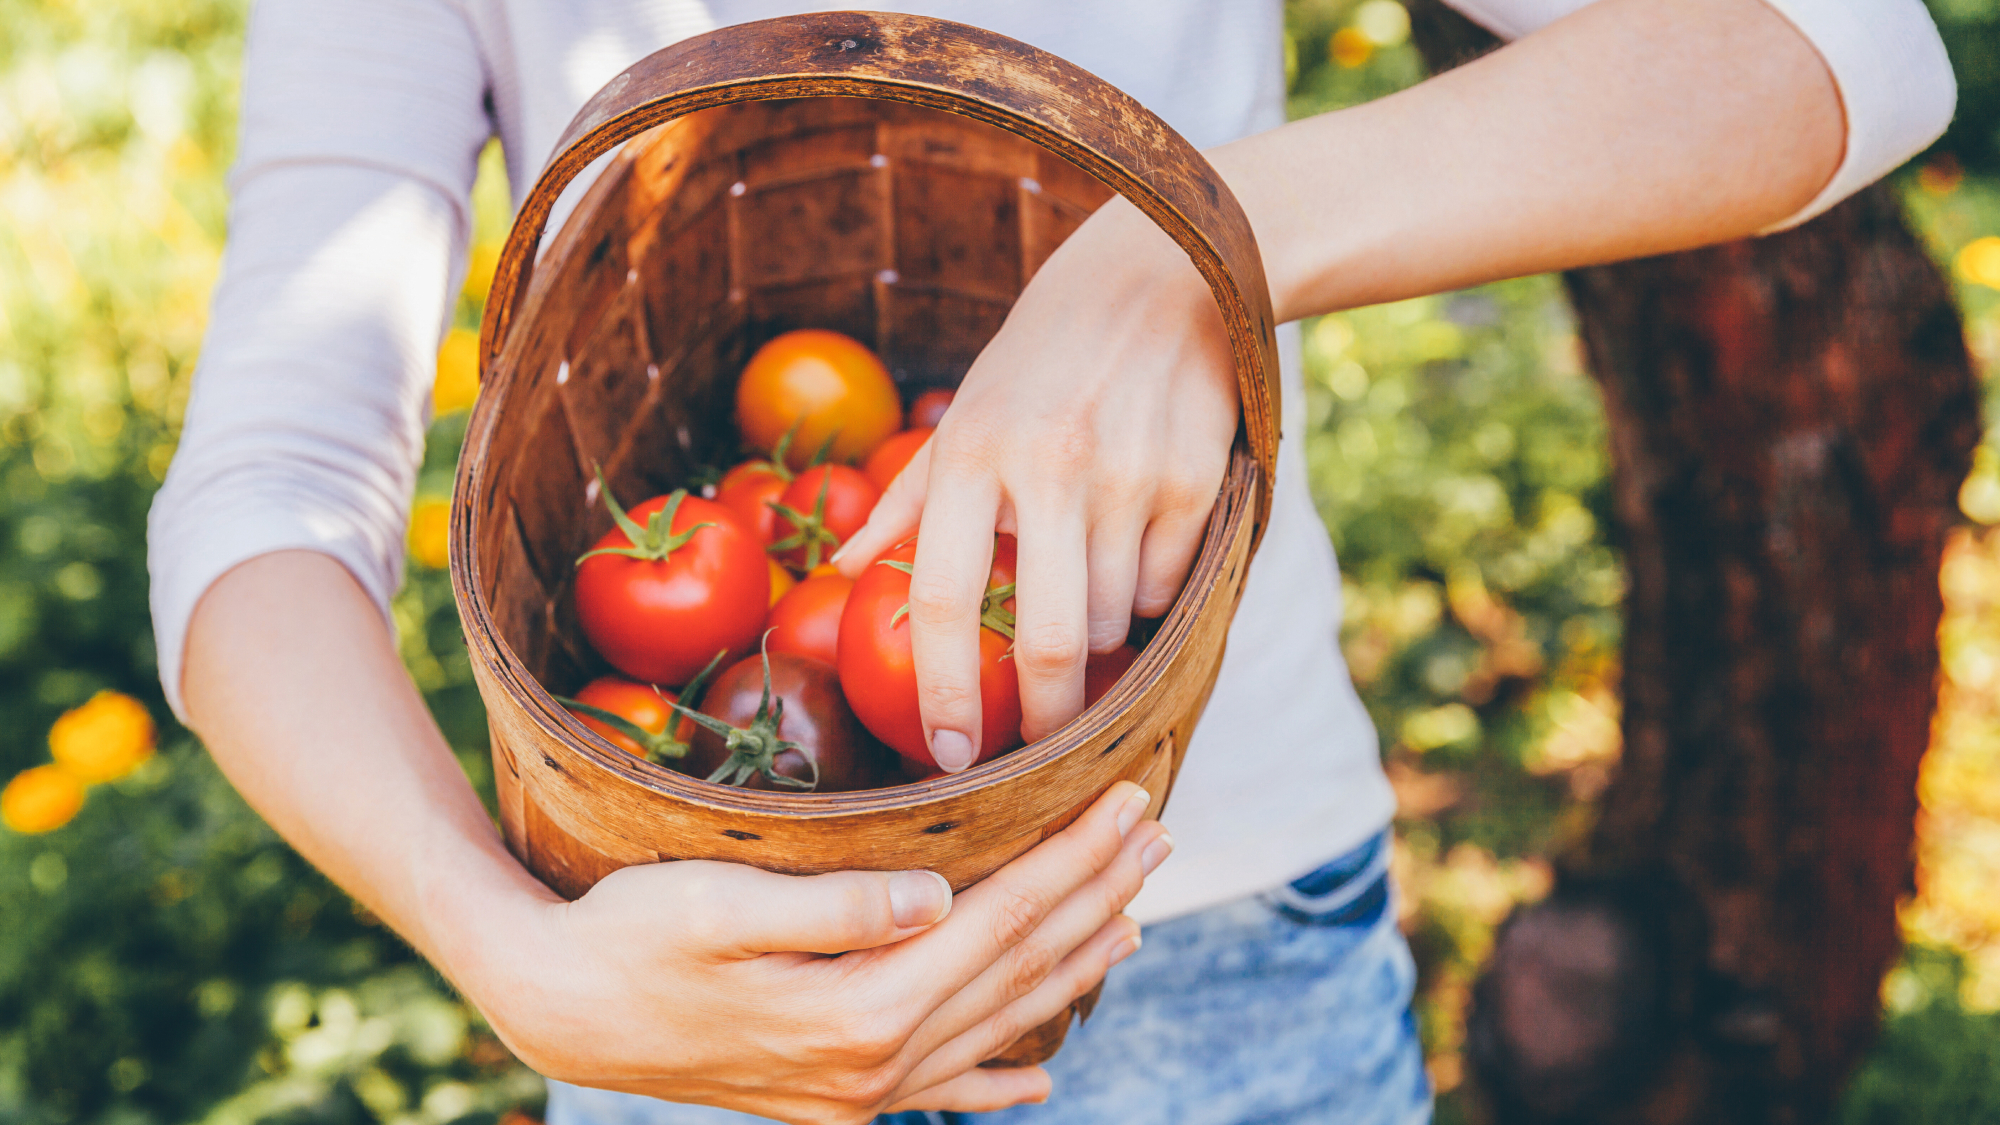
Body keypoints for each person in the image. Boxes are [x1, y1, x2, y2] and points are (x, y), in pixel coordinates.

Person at [148, 0, 1954, 1122]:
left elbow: (1844, 46)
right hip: (689, 1017)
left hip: (1226, 947)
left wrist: (1196, 232)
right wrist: (509, 956)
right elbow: (262, 489)